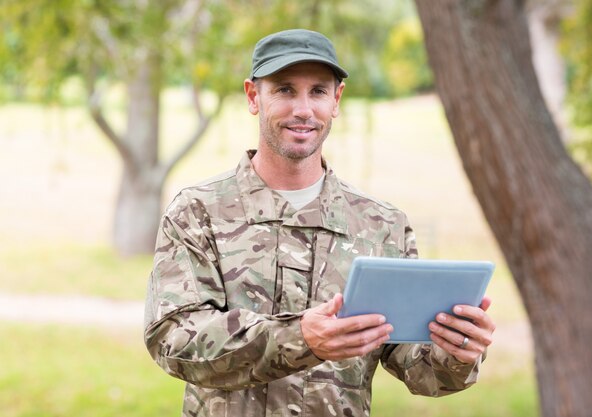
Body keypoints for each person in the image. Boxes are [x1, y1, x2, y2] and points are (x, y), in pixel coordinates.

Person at [144, 28, 496, 417]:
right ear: (252, 97)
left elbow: (417, 368)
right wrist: (300, 338)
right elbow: (172, 339)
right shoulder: (199, 212)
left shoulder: (381, 225)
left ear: (336, 100)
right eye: (284, 90)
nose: (303, 110)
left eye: (317, 91)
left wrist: (456, 350)